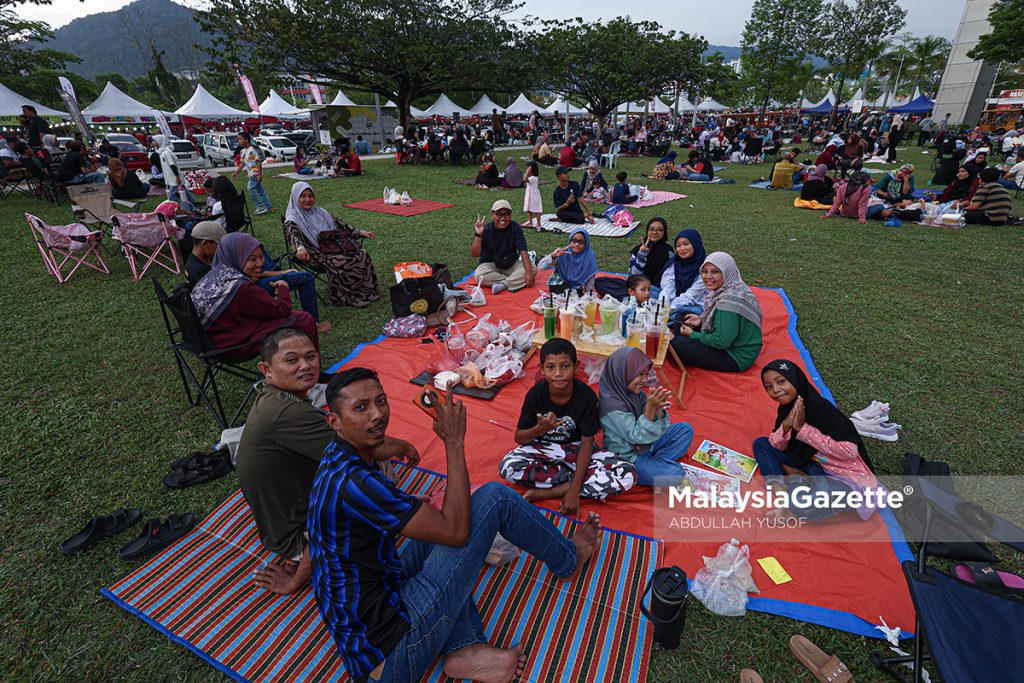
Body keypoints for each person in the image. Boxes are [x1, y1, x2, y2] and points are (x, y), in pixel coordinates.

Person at [308, 368, 601, 683]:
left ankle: (465, 647)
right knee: (493, 500)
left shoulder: (337, 458)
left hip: (375, 611)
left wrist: (399, 447)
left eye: (381, 401)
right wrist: (453, 441)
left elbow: (374, 452)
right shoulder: (359, 483)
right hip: (391, 659)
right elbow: (456, 531)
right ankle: (568, 559)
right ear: (334, 421)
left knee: (436, 523)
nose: (378, 414)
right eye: (361, 408)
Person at [237, 330, 417, 596]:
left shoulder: (275, 399)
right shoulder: (287, 412)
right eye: (291, 360)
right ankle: (307, 566)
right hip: (301, 535)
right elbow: (364, 447)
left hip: (289, 514)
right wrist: (405, 447)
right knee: (372, 465)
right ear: (266, 369)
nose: (305, 365)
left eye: (311, 357)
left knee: (373, 463)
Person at [499, 338, 637, 513]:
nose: (558, 373)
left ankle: (553, 490)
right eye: (550, 367)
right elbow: (519, 438)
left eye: (565, 366)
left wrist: (573, 491)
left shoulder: (586, 397)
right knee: (508, 467)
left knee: (628, 473)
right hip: (545, 450)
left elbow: (587, 443)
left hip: (578, 449)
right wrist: (539, 429)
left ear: (576, 366)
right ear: (542, 369)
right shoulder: (535, 395)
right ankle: (576, 481)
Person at [754, 359, 877, 521]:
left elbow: (849, 451)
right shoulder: (787, 408)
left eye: (781, 382)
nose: (775, 390)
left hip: (843, 475)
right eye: (769, 386)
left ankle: (794, 492)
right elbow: (775, 444)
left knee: (804, 505)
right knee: (761, 444)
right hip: (813, 464)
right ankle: (783, 496)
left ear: (795, 379)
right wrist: (786, 424)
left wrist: (803, 429)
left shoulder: (821, 408)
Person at [190, 232, 319, 358]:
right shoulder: (240, 286)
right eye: (252, 259)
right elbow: (281, 310)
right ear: (236, 257)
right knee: (303, 319)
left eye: (261, 257)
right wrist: (283, 288)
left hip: (209, 340)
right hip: (228, 345)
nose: (260, 263)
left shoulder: (214, 274)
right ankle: (312, 369)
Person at [599, 347, 694, 486]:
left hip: (646, 444)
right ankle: (651, 466)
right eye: (639, 374)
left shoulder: (635, 392)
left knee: (685, 430)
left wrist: (659, 410)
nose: (644, 379)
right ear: (622, 374)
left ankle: (655, 463)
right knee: (676, 474)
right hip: (629, 457)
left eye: (646, 374)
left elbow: (657, 426)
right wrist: (650, 408)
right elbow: (636, 436)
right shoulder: (611, 407)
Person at [283, 181, 380, 307]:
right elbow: (293, 236)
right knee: (339, 261)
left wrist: (360, 232)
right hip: (314, 253)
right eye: (303, 196)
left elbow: (341, 225)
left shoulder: (321, 212)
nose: (307, 199)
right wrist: (300, 248)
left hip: (335, 245)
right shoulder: (292, 220)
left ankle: (366, 291)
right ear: (295, 197)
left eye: (310, 196)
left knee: (362, 254)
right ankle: (345, 297)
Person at [671, 252, 763, 373]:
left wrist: (692, 335)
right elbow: (724, 323)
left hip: (736, 356)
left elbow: (721, 342)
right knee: (682, 316)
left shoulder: (728, 302)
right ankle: (687, 351)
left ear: (726, 272)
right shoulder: (734, 287)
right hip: (731, 339)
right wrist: (701, 319)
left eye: (715, 272)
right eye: (704, 271)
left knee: (677, 345)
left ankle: (685, 353)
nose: (708, 276)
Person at [472, 199, 534, 293]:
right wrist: (478, 235)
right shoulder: (486, 229)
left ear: (510, 215)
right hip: (490, 264)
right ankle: (512, 281)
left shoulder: (515, 227)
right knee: (479, 276)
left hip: (511, 263)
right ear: (492, 214)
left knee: (532, 269)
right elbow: (475, 255)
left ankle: (503, 284)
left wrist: (529, 273)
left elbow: (523, 250)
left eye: (507, 214)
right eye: (499, 214)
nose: (503, 218)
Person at [660, 228, 708, 327]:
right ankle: (664, 320)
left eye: (686, 244)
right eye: (678, 245)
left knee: (682, 314)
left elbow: (692, 296)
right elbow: (668, 285)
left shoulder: (706, 268)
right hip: (675, 299)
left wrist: (670, 309)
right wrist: (662, 305)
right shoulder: (675, 262)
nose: (682, 249)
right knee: (647, 291)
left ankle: (661, 320)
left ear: (695, 244)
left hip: (696, 304)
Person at [536, 227, 599, 293]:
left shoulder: (589, 256)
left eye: (581, 242)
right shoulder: (562, 253)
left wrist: (588, 296)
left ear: (586, 244)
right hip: (560, 285)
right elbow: (541, 267)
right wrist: (553, 256)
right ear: (570, 241)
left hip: (576, 289)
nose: (577, 244)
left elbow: (590, 280)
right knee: (565, 290)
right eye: (574, 241)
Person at [233, 131, 272, 215]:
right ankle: (268, 207)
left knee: (250, 188)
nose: (238, 141)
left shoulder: (252, 150)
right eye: (238, 139)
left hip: (254, 173)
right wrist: (236, 172)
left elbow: (258, 162)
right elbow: (242, 163)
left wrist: (260, 174)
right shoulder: (243, 152)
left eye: (240, 139)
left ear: (246, 140)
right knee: (260, 191)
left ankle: (260, 207)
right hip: (251, 173)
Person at [184, 220, 226, 288]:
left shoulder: (198, 258)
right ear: (206, 243)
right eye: (219, 246)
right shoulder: (199, 272)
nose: (221, 250)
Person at [522, 161, 542, 228]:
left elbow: (524, 179)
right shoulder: (531, 177)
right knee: (530, 209)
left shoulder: (533, 178)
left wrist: (528, 170)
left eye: (528, 168)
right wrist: (528, 171)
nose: (527, 170)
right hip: (530, 194)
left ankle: (538, 223)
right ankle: (530, 222)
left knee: (537, 209)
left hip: (534, 195)